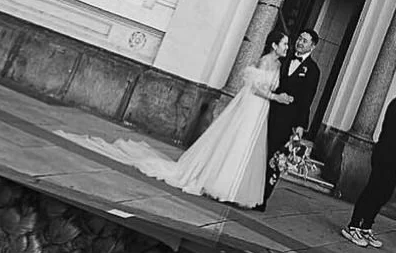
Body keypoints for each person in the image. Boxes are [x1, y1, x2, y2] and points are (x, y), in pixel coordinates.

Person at [54, 31, 294, 208]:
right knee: (236, 143)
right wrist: (276, 97)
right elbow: (253, 87)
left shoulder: (279, 65)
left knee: (245, 148)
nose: (286, 47)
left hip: (260, 112)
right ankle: (220, 184)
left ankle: (233, 186)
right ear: (274, 45)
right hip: (253, 106)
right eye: (284, 43)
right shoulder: (265, 61)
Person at [342, 72, 396, 248]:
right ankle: (354, 225)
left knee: (383, 194)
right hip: (385, 156)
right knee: (373, 191)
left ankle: (366, 226)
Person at [263, 28, 321, 208]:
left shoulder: (313, 70)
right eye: (300, 38)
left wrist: (300, 126)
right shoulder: (283, 59)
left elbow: (307, 101)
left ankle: (262, 198)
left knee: (277, 159)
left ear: (313, 45)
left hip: (288, 121)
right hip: (268, 113)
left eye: (305, 40)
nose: (300, 42)